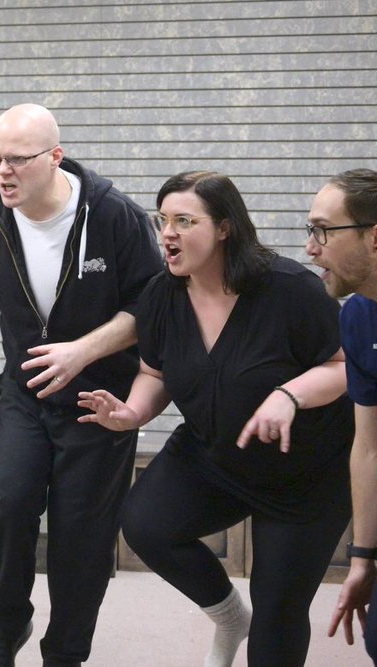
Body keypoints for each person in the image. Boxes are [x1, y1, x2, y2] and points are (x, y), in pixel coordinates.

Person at [80, 171, 352, 667]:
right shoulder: (163, 294)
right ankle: (229, 616)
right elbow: (152, 369)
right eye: (162, 220)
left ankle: (260, 628)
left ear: (224, 227)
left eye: (185, 220)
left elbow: (342, 366)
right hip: (214, 453)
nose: (168, 233)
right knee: (146, 525)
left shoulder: (289, 289)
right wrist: (133, 411)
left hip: (305, 476)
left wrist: (289, 395)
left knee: (277, 624)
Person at [0, 103, 161, 666]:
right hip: (25, 395)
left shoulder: (114, 215)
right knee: (7, 504)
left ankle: (65, 651)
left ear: (55, 157)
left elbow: (151, 306)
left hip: (99, 402)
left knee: (82, 537)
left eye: (16, 159)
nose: (3, 172)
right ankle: (7, 623)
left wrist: (82, 351)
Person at [312, 169, 377, 664]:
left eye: (323, 231)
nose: (313, 249)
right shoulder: (356, 318)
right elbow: (368, 445)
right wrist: (363, 557)